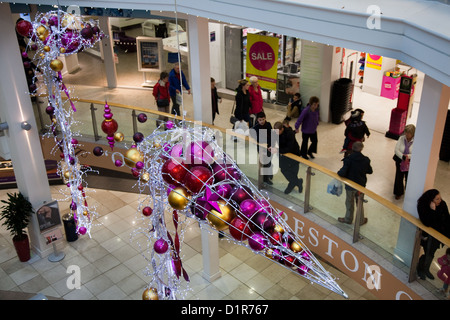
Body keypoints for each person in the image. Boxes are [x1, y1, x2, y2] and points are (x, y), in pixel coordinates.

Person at [417, 189, 450, 280]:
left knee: (431, 253)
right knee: (428, 253)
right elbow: (427, 223)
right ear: (431, 200)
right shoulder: (423, 206)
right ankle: (421, 269)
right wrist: (433, 210)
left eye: (440, 198)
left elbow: (447, 219)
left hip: (439, 235)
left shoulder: (442, 204)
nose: (440, 201)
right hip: (428, 235)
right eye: (437, 199)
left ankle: (425, 269)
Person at [337, 141, 373, 225]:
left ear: (352, 148)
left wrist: (338, 173)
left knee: (349, 202)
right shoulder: (365, 160)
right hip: (360, 186)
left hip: (350, 186)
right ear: (361, 149)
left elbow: (342, 172)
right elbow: (370, 171)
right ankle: (361, 220)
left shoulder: (348, 159)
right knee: (359, 202)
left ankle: (348, 219)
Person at [271, 121, 303, 194]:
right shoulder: (275, 132)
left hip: (294, 154)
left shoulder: (289, 133)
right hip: (283, 154)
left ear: (282, 129)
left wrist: (277, 150)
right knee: (283, 169)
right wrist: (271, 147)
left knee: (293, 170)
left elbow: (289, 148)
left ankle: (292, 184)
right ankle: (298, 182)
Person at [393, 124, 415, 200]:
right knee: (399, 177)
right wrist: (402, 156)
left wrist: (407, 157)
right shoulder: (401, 138)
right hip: (400, 160)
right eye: (406, 132)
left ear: (413, 133)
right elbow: (396, 150)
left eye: (408, 133)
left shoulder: (416, 141)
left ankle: (409, 192)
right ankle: (398, 192)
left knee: (408, 177)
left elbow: (416, 153)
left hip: (410, 162)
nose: (406, 134)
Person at [251, 112, 273, 185]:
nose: (262, 121)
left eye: (263, 119)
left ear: (265, 118)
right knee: (264, 162)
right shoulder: (256, 127)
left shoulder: (268, 125)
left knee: (268, 161)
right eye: (260, 120)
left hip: (269, 147)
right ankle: (265, 179)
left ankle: (269, 172)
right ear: (257, 120)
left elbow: (271, 136)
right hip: (261, 148)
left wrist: (270, 145)